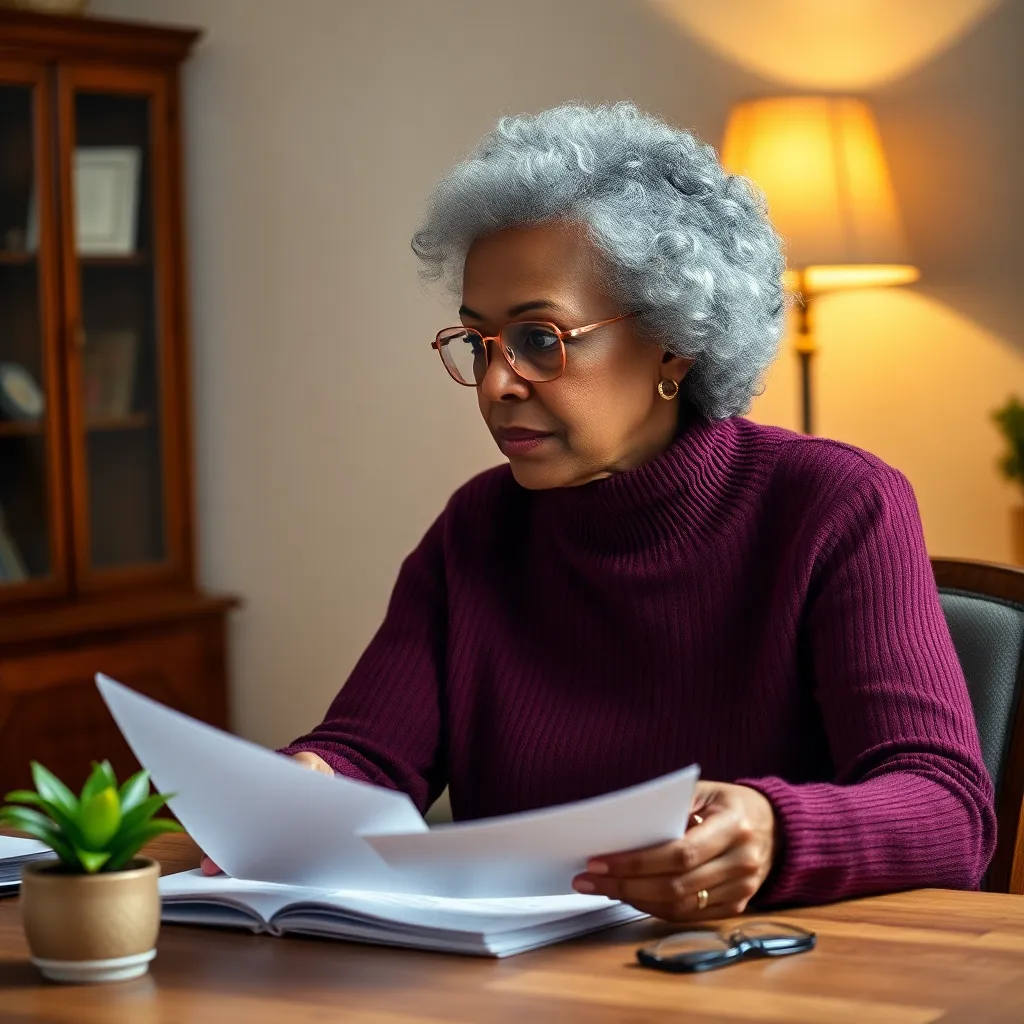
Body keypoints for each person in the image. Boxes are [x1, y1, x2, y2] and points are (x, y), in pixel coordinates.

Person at [206, 103, 995, 921]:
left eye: (541, 339)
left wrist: (773, 829)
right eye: (480, 343)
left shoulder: (834, 506)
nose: (496, 384)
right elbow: (369, 751)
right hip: (519, 989)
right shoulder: (477, 529)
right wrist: (310, 781)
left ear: (674, 342)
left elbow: (948, 811)